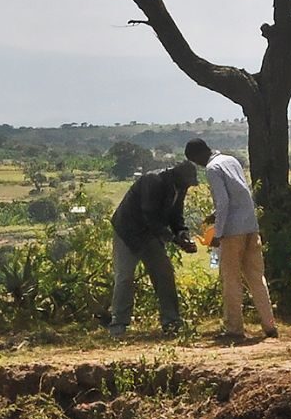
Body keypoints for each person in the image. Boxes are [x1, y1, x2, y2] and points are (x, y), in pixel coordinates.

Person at [194, 137, 280, 342]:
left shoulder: (212, 169)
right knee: (257, 278)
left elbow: (224, 201)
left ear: (197, 156)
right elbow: (240, 195)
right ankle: (269, 326)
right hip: (251, 226)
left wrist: (217, 233)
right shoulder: (231, 160)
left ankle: (234, 329)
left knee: (231, 280)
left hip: (232, 231)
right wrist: (215, 215)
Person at [107, 151, 199, 336]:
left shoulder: (179, 188)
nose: (188, 187)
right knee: (124, 277)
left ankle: (171, 321)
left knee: (164, 273)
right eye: (187, 183)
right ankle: (119, 323)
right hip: (127, 232)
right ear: (177, 175)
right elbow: (150, 217)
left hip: (150, 234)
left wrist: (182, 233)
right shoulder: (153, 181)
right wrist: (174, 240)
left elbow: (176, 216)